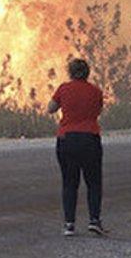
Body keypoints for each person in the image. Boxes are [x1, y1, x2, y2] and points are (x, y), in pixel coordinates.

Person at [48, 58, 105, 237]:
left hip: (67, 139)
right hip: (90, 139)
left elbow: (51, 108)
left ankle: (69, 225)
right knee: (93, 182)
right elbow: (98, 110)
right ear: (87, 72)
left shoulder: (64, 89)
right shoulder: (95, 91)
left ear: (70, 72)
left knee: (69, 183)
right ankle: (94, 220)